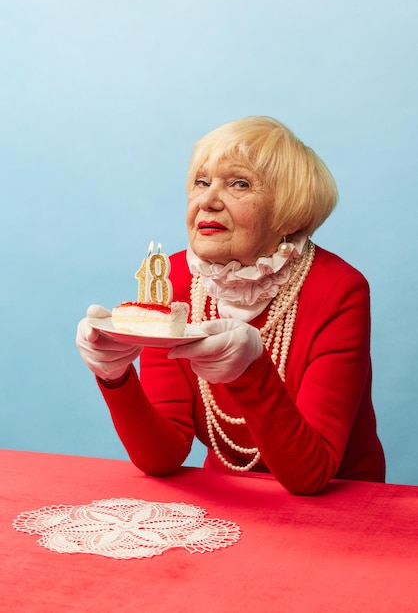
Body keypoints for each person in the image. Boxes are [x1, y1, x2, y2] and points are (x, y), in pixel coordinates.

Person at [76, 116, 385, 495]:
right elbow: (162, 456)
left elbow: (311, 476)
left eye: (239, 184)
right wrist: (116, 376)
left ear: (288, 211)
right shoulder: (174, 279)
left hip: (343, 507)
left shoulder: (340, 290)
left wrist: (252, 370)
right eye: (201, 182)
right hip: (235, 499)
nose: (207, 200)